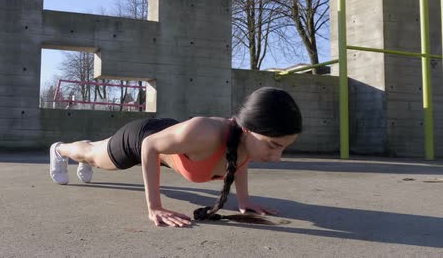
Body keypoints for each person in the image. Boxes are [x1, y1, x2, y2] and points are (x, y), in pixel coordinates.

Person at [48, 87, 302, 227]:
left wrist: (244, 200)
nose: (277, 157)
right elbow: (149, 145)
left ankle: (78, 153)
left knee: (96, 150)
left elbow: (239, 160)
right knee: (93, 155)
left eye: (283, 148)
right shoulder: (204, 133)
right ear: (248, 129)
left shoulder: (243, 142)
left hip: (174, 139)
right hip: (143, 138)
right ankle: (60, 149)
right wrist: (154, 207)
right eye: (273, 145)